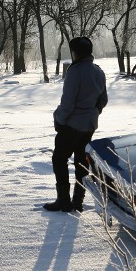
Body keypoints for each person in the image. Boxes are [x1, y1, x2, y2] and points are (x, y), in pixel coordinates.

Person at [44, 36, 108, 212]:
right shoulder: (98, 71)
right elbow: (103, 99)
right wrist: (93, 113)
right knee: (81, 163)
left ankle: (63, 200)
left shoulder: (75, 71)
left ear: (75, 52)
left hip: (71, 125)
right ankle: (78, 201)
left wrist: (60, 120)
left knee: (59, 159)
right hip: (89, 126)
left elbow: (68, 103)